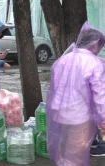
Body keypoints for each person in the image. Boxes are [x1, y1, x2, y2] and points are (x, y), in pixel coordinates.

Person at [46, 21, 105, 165]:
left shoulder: (63, 59)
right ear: (94, 44)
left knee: (64, 151)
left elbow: (55, 88)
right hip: (79, 118)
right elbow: (100, 95)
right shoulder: (94, 63)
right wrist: (103, 118)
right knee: (76, 156)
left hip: (59, 114)